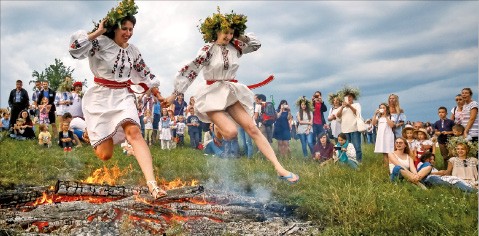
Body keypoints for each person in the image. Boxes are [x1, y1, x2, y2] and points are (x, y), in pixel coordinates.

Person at [166, 8, 298, 183]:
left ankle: (279, 168)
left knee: (252, 128)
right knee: (231, 132)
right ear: (216, 31)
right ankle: (214, 140)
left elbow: (256, 44)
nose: (228, 36)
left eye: (230, 33)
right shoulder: (207, 49)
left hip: (229, 92)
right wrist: (174, 94)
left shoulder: (236, 47)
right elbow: (191, 70)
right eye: (225, 32)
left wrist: (239, 34)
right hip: (211, 96)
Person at [68, 5, 167, 198]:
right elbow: (74, 49)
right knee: (105, 155)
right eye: (125, 28)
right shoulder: (99, 43)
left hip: (123, 95)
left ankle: (152, 185)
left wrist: (159, 95)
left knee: (134, 132)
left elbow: (144, 74)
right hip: (100, 97)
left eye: (131, 29)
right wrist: (97, 32)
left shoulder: (133, 52)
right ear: (115, 28)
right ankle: (84, 127)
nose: (128, 33)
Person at [336, 89, 363, 162]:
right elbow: (338, 116)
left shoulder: (356, 105)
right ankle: (348, 161)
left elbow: (357, 113)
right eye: (347, 97)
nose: (349, 98)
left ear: (353, 97)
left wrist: (349, 106)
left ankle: (358, 162)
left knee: (357, 147)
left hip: (355, 129)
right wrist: (342, 107)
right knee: (346, 147)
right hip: (345, 130)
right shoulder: (342, 107)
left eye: (350, 97)